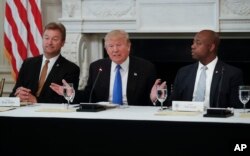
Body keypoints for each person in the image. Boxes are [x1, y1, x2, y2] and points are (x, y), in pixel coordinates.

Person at [51, 29, 157, 106]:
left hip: (134, 117)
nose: (115, 50)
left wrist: (154, 99)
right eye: (111, 46)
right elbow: (89, 96)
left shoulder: (146, 68)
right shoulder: (97, 67)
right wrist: (72, 93)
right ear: (106, 49)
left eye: (119, 45)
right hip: (104, 115)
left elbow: (151, 100)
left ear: (128, 46)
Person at [151, 29, 244, 108]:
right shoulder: (184, 72)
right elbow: (173, 104)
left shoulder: (231, 73)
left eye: (198, 43)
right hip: (187, 122)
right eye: (193, 42)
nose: (192, 46)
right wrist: (159, 99)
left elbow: (236, 109)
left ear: (211, 47)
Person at [10, 22, 80, 104]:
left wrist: (36, 100)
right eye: (46, 38)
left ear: (62, 43)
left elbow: (68, 99)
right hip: (24, 111)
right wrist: (17, 96)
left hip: (50, 115)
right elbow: (13, 93)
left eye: (55, 39)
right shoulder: (28, 64)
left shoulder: (71, 69)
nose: (49, 42)